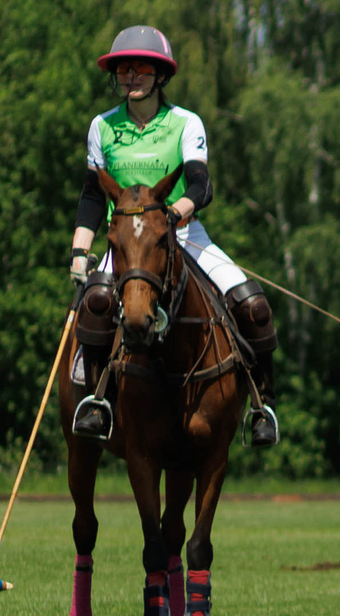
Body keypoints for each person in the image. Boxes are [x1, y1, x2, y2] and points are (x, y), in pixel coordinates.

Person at [67, 26, 280, 448]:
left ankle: (262, 407)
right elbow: (92, 196)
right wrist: (79, 251)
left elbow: (201, 185)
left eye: (141, 69)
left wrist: (175, 212)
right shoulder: (102, 127)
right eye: (123, 69)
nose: (131, 77)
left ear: (160, 75)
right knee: (95, 304)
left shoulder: (185, 123)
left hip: (183, 235)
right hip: (124, 243)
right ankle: (96, 401)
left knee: (252, 304)